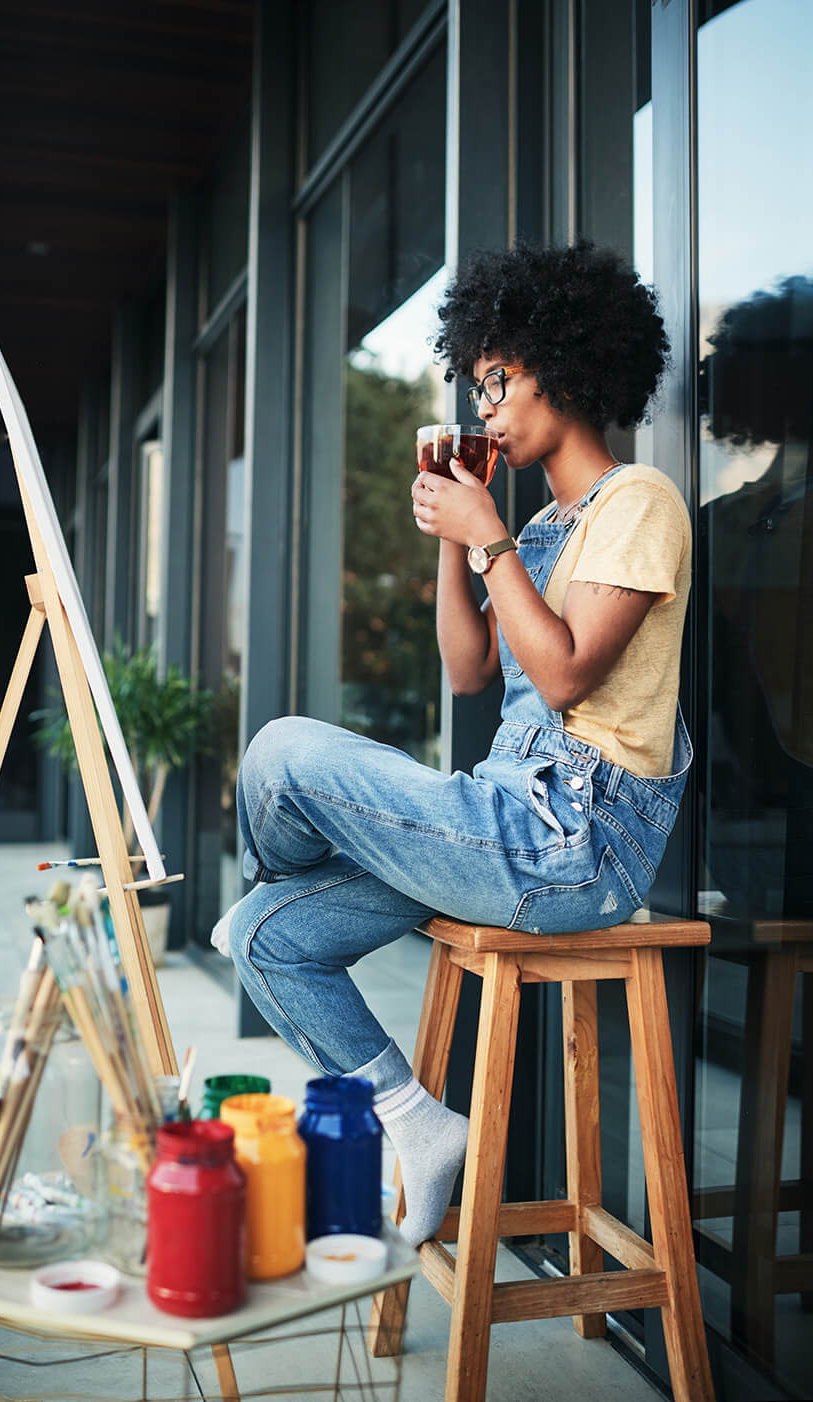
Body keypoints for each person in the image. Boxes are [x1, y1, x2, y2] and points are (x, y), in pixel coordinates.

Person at [213, 240, 693, 1248]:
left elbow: (564, 674)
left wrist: (486, 537)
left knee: (281, 750)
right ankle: (411, 1117)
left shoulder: (640, 504)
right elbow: (471, 669)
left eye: (499, 382)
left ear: (564, 366)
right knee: (265, 936)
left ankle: (304, 868)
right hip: (503, 815)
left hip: (577, 844)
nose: (486, 409)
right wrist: (453, 541)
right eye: (478, 385)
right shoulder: (548, 524)